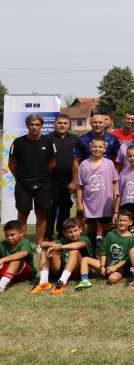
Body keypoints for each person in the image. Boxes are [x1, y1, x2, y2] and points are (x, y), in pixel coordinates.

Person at [8, 113, 57, 247]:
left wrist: (43, 175)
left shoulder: (49, 141)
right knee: (22, 214)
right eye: (31, 124)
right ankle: (23, 244)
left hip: (43, 184)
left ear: (41, 126)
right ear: (27, 126)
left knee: (41, 214)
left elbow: (53, 162)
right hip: (23, 185)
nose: (34, 127)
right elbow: (11, 164)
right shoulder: (18, 142)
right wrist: (20, 177)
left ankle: (39, 244)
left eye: (37, 124)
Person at [75, 208, 134, 289]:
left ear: (130, 222)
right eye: (120, 220)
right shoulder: (110, 234)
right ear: (116, 221)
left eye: (125, 221)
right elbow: (103, 252)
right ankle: (84, 281)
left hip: (121, 267)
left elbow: (128, 259)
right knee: (85, 259)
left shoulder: (133, 239)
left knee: (111, 279)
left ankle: (119, 274)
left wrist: (115, 267)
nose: (122, 223)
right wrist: (102, 266)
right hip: (107, 263)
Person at [76, 137, 119, 248]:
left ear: (104, 149)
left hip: (106, 204)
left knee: (107, 229)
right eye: (95, 146)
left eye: (100, 147)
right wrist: (79, 203)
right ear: (90, 147)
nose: (97, 149)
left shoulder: (109, 164)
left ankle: (105, 253)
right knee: (91, 229)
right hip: (90, 204)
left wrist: (115, 200)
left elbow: (114, 183)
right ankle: (92, 252)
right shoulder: (84, 164)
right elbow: (80, 186)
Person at [30, 218, 92, 295]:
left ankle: (62, 283)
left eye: (75, 230)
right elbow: (42, 244)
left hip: (78, 272)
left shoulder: (85, 239)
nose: (73, 234)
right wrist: (51, 245)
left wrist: (61, 247)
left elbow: (77, 245)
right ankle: (43, 282)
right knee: (45, 249)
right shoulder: (63, 240)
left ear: (80, 230)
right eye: (70, 232)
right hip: (61, 270)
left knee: (74, 251)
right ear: (65, 233)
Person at [46, 114, 78, 240]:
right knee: (50, 210)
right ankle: (48, 235)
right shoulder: (47, 138)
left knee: (65, 210)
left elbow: (78, 161)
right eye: (59, 123)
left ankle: (62, 235)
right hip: (50, 182)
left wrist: (74, 181)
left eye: (65, 123)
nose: (62, 125)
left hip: (69, 182)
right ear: (55, 124)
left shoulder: (75, 139)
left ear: (69, 125)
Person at [0, 220, 34, 293]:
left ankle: (1, 285)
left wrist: (2, 259)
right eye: (7, 235)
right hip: (8, 273)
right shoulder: (2, 244)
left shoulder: (25, 242)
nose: (9, 238)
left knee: (16, 259)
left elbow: (24, 253)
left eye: (12, 235)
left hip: (24, 273)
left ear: (21, 233)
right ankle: (5, 278)